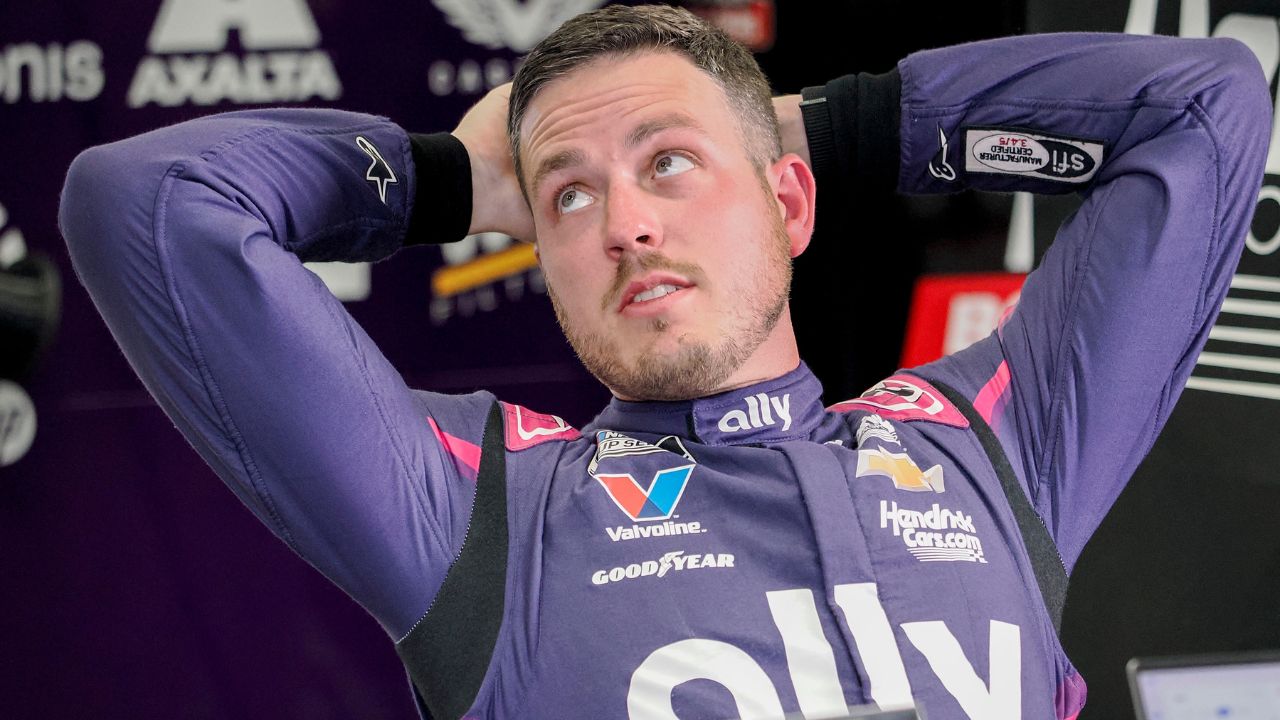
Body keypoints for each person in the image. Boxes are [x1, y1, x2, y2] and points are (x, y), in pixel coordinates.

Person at [59, 5, 1269, 719]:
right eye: (569, 194)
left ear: (789, 203)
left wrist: (810, 126)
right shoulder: (481, 513)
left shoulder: (991, 442)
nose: (623, 221)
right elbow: (145, 202)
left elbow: (1201, 102)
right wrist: (454, 177)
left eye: (667, 166)